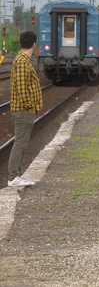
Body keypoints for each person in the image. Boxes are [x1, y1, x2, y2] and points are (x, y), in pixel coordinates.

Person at [6, 31, 41, 187]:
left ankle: (17, 175)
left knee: (23, 143)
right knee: (20, 143)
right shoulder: (22, 61)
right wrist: (30, 106)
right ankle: (13, 177)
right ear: (34, 44)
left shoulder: (24, 60)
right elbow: (21, 88)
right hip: (23, 110)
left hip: (25, 110)